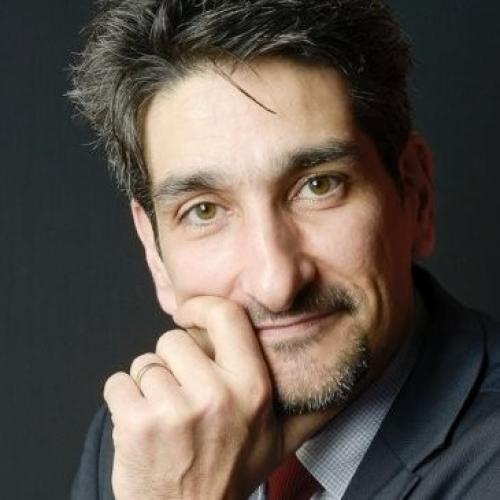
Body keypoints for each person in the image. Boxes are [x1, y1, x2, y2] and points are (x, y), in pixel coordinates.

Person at [69, 1, 500, 498]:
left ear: (415, 195)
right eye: (204, 211)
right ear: (154, 252)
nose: (277, 284)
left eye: (319, 185)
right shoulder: (144, 443)